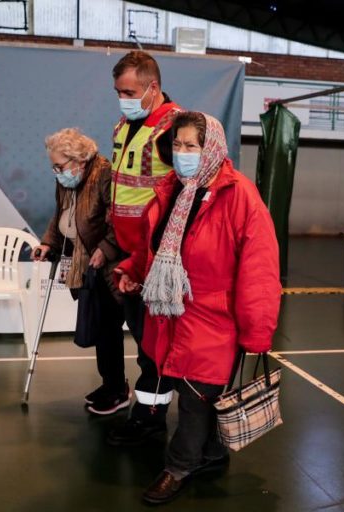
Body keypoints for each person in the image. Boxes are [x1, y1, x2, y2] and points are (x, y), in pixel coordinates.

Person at [116, 112, 282, 505]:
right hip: (172, 313)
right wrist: (130, 268)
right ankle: (211, 451)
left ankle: (178, 467)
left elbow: (260, 268)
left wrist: (257, 330)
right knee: (190, 388)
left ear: (212, 148)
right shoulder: (172, 188)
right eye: (177, 145)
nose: (183, 153)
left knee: (194, 397)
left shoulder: (240, 195)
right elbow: (152, 245)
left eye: (191, 145)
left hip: (214, 317)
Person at [107, 50, 183, 445]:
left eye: (130, 91)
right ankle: (148, 412)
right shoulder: (125, 124)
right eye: (119, 91)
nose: (123, 98)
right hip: (127, 255)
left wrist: (145, 261)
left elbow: (176, 200)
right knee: (143, 341)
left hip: (155, 258)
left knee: (156, 345)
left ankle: (150, 418)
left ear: (152, 87)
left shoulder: (173, 128)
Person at [32, 128, 128, 415]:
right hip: (85, 262)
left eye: (59, 166)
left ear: (80, 161)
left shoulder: (104, 175)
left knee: (109, 328)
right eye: (53, 166)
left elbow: (119, 218)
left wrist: (105, 249)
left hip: (108, 264)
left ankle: (118, 391)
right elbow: (61, 213)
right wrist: (48, 243)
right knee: (101, 328)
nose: (56, 172)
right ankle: (111, 383)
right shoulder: (67, 180)